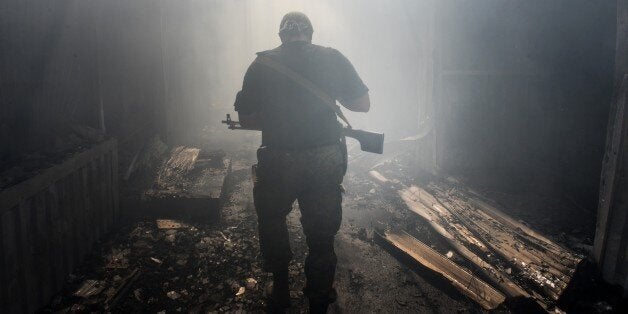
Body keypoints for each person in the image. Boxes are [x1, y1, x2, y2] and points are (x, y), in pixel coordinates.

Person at [234, 11, 370, 313]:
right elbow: (363, 104)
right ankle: (319, 301)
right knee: (321, 235)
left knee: (272, 219)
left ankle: (280, 288)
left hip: (278, 157)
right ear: (310, 33)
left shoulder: (261, 63)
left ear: (281, 35)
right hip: (324, 157)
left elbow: (245, 118)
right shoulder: (332, 57)